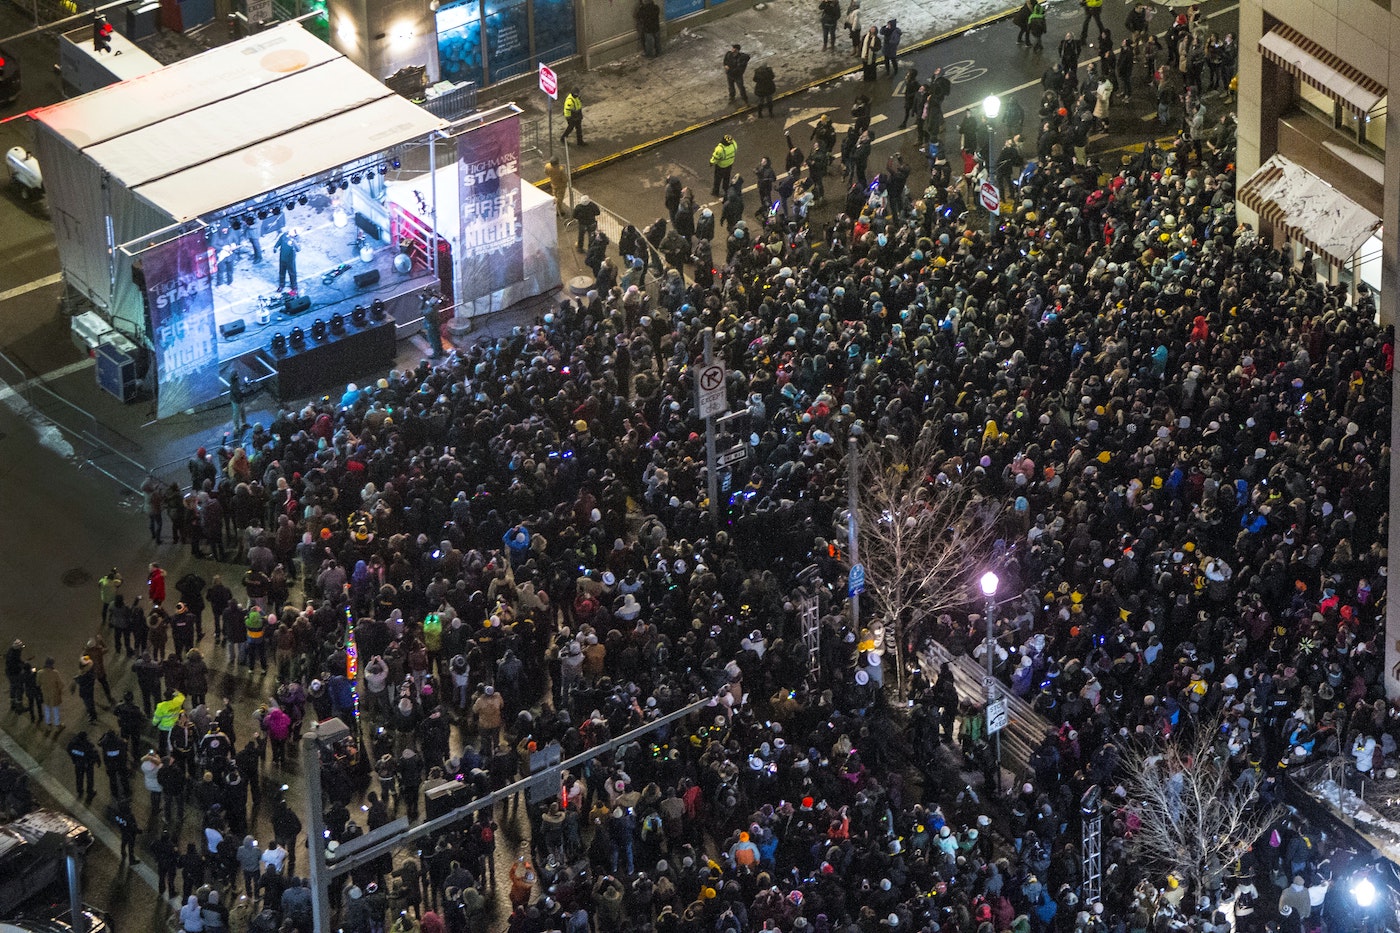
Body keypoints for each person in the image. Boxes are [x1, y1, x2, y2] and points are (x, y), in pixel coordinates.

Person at [67, 730, 98, 802]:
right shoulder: (88, 745)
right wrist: (96, 761)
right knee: (89, 779)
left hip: (78, 764)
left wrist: (74, 759)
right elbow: (94, 754)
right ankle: (90, 792)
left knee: (79, 778)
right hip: (87, 765)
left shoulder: (73, 743)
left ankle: (80, 790)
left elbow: (69, 750)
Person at [273, 228, 300, 293]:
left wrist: (294, 242)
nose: (289, 232)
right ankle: (281, 285)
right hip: (282, 257)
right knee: (282, 272)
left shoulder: (296, 239)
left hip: (290, 259)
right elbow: (279, 241)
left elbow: (298, 249)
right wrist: (275, 247)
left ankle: (294, 286)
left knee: (292, 273)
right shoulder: (284, 235)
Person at [228, 373, 248, 440]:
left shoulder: (236, 382)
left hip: (240, 400)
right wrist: (245, 394)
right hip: (236, 401)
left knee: (243, 411)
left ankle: (244, 423)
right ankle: (236, 428)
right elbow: (238, 394)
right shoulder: (233, 386)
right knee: (236, 414)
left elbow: (240, 387)